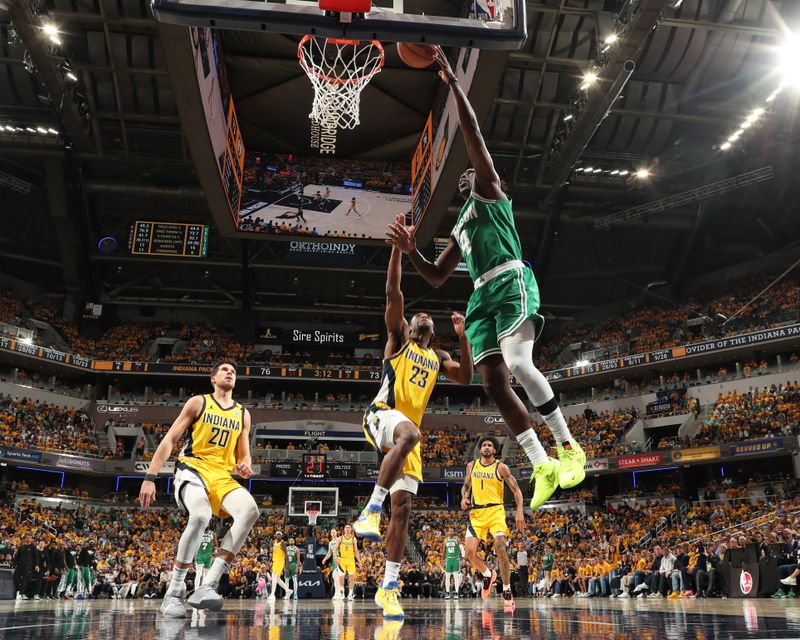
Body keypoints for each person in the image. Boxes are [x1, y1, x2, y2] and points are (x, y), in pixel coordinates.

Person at [386, 46, 586, 511]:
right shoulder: (460, 227)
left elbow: (472, 133)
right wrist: (410, 249)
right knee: (494, 383)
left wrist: (454, 85)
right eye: (464, 176)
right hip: (480, 297)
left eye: (470, 171)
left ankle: (568, 445)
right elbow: (436, 276)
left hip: (509, 279)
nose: (466, 176)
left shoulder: (493, 194)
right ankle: (542, 464)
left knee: (517, 364)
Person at [353, 242, 474, 621]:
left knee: (403, 511)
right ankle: (370, 511)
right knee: (410, 435)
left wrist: (464, 336)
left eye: (427, 317)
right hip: (383, 414)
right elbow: (394, 293)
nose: (421, 317)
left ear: (433, 331)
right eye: (416, 314)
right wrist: (395, 252)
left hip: (408, 434)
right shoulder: (399, 340)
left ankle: (388, 587)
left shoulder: (438, 358)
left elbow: (467, 377)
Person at [139, 360, 260, 617]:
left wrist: (245, 465)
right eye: (224, 370)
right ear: (213, 379)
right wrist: (150, 476)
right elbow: (170, 438)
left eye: (233, 372)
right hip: (192, 468)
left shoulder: (243, 414)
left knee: (250, 511)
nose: (230, 373)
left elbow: (245, 455)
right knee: (201, 515)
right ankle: (174, 591)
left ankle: (208, 584)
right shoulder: (198, 402)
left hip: (222, 475)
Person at [461, 435, 525, 611]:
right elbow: (466, 486)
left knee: (500, 546)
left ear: (495, 450)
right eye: (484, 445)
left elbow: (517, 490)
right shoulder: (471, 466)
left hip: (496, 512)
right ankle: (488, 574)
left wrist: (519, 511)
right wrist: (464, 497)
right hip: (477, 513)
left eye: (490, 445)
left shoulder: (501, 467)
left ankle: (506, 589)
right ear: (480, 449)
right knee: (469, 552)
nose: (487, 447)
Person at [267, 531, 293, 600]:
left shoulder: (283, 543)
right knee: (277, 579)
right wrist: (269, 560)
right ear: (275, 535)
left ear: (281, 536)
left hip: (280, 562)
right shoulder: (274, 542)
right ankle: (288, 590)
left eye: (280, 534)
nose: (278, 535)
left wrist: (287, 564)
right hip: (275, 561)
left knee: (274, 576)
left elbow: (286, 554)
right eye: (277, 534)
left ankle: (272, 594)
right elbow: (273, 553)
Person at [337, 524, 361, 600]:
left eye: (349, 528)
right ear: (344, 529)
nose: (347, 529)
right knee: (341, 577)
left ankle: (350, 594)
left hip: (351, 559)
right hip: (342, 559)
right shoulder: (340, 538)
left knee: (351, 577)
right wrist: (335, 558)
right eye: (346, 527)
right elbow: (335, 549)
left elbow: (356, 551)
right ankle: (342, 592)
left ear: (351, 529)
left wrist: (359, 561)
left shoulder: (354, 539)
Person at [322, 528, 345, 600]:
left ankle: (342, 593)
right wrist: (325, 559)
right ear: (330, 534)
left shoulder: (340, 540)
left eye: (334, 532)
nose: (333, 533)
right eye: (332, 532)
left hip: (341, 559)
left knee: (340, 577)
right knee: (335, 577)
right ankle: (336, 593)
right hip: (334, 560)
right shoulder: (330, 543)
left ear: (336, 533)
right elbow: (329, 553)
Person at [443, 529, 464, 599]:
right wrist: (442, 560)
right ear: (447, 532)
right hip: (448, 559)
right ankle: (448, 592)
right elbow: (443, 551)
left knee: (456, 577)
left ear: (454, 532)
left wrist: (463, 558)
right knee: (447, 577)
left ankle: (456, 593)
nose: (451, 532)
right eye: (449, 531)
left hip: (455, 559)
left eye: (452, 531)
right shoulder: (445, 540)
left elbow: (462, 549)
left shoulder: (457, 539)